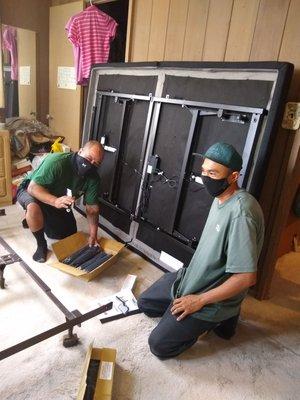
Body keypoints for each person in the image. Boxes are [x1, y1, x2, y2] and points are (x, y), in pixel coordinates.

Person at [138, 142, 265, 359]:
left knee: (159, 345)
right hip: (192, 277)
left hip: (209, 295)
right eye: (204, 170)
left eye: (213, 173)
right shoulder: (221, 198)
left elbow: (246, 278)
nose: (205, 177)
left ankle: (223, 315)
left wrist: (199, 301)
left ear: (233, 176)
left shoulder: (242, 213)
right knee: (146, 303)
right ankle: (195, 312)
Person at [17, 140, 104, 263]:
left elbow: (92, 209)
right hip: (31, 189)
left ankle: (34, 219)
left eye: (96, 163)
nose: (90, 164)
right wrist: (55, 201)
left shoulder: (93, 178)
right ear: (80, 151)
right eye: (89, 158)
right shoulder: (57, 162)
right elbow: (33, 188)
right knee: (33, 207)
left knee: (66, 234)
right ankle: (41, 245)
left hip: (56, 197)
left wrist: (93, 235)